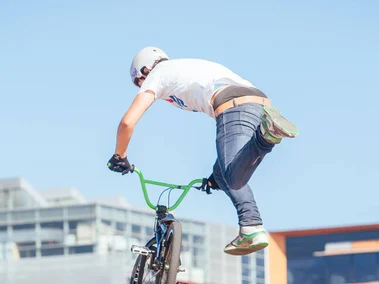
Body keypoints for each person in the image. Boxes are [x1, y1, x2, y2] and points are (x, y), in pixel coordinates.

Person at [107, 48, 298, 257]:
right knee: (224, 174)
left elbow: (127, 122)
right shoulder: (183, 68)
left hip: (232, 105)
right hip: (257, 102)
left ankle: (264, 143)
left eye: (139, 83)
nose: (142, 87)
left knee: (232, 178)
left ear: (145, 70)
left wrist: (120, 156)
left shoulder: (158, 74)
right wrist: (216, 177)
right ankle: (251, 222)